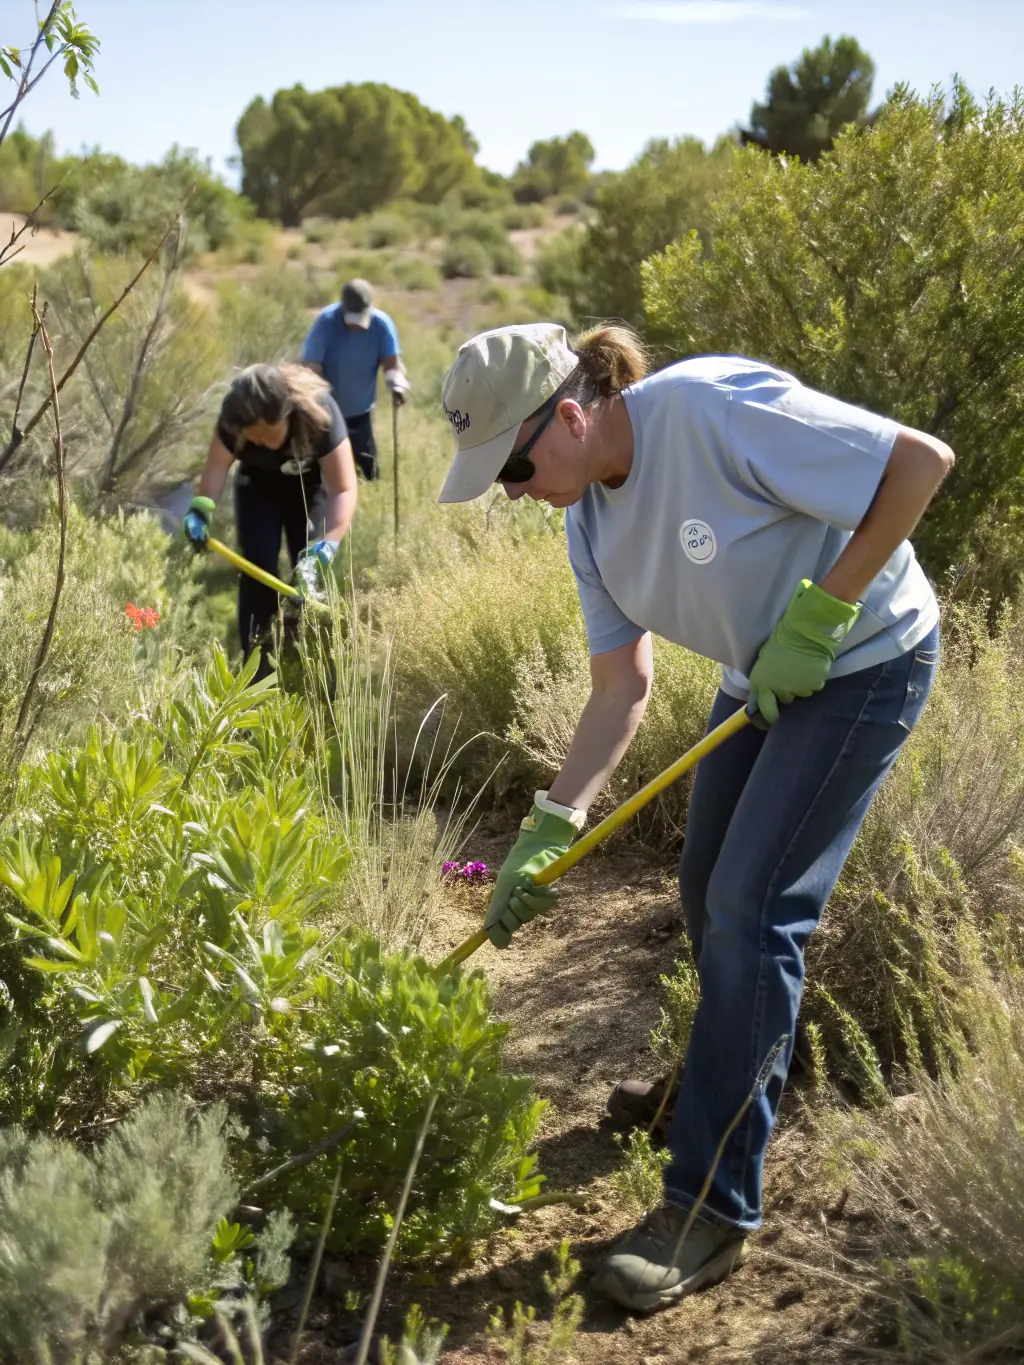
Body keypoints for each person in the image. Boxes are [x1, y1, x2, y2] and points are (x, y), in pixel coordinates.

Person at [437, 322, 952, 1313]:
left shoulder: (712, 409)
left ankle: (711, 1206)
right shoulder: (586, 520)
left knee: (752, 906)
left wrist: (821, 616)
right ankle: (723, 1081)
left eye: (511, 464)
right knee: (703, 882)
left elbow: (918, 467)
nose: (510, 490)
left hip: (865, 660)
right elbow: (618, 690)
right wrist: (552, 824)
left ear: (572, 415)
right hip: (758, 676)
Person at [184, 363, 358, 660]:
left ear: (287, 411)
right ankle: (258, 664)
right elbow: (215, 470)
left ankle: (313, 665)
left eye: (271, 433)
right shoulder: (234, 421)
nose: (266, 443)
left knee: (309, 574)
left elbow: (343, 488)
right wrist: (200, 511)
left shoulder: (318, 413)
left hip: (309, 487)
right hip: (257, 487)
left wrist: (329, 544)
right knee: (258, 570)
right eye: (257, 439)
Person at [302, 278, 410, 481]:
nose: (355, 325)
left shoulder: (381, 325)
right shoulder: (325, 323)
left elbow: (391, 365)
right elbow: (311, 369)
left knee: (368, 471)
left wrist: (396, 386)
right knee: (321, 474)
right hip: (326, 414)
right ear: (342, 307)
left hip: (361, 413)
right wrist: (313, 404)